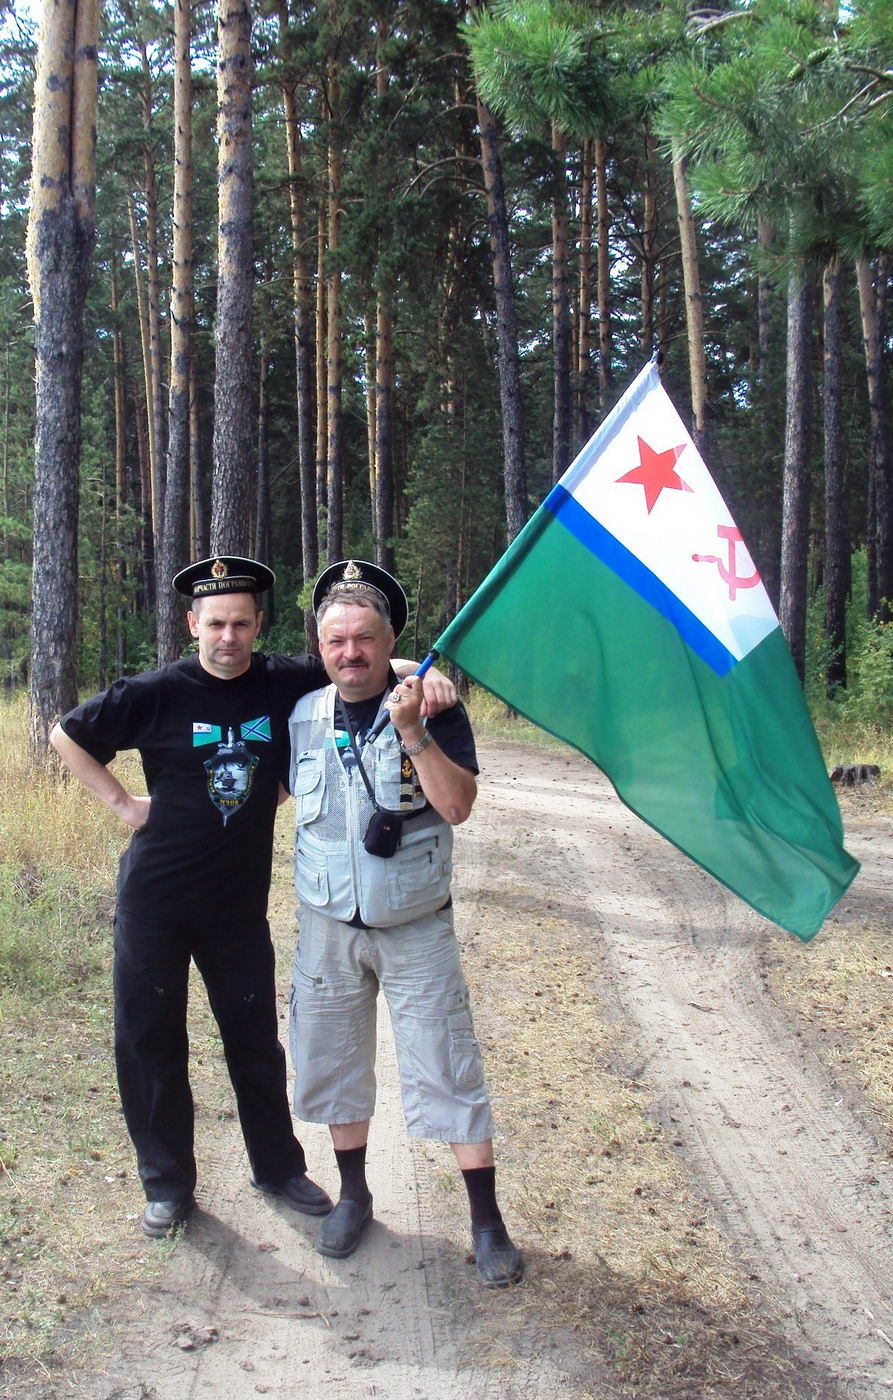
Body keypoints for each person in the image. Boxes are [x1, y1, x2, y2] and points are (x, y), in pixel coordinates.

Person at [49, 556, 451, 1240]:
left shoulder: (283, 680)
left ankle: (278, 1168)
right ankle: (167, 1186)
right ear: (192, 625)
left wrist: (426, 673)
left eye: (240, 623)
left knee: (255, 1041)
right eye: (215, 624)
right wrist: (123, 804)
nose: (228, 637)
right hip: (155, 902)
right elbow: (68, 733)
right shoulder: (154, 693)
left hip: (236, 905)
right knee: (150, 1041)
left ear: (258, 625)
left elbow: (360, 662)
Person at [287, 559, 523, 1288]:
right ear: (319, 647)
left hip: (416, 922)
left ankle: (486, 1220)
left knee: (446, 1062)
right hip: (327, 923)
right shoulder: (300, 711)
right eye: (336, 641)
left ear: (391, 640)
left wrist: (414, 730)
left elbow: (457, 807)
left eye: (366, 638)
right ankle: (353, 1196)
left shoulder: (434, 707)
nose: (350, 653)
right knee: (332, 1061)